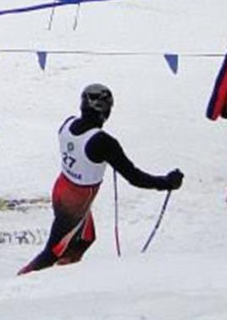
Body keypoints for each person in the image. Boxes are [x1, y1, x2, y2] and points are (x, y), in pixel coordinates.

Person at [18, 84, 183, 275]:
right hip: (76, 203)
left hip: (62, 188)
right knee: (53, 252)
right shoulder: (103, 142)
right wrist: (166, 182)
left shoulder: (67, 123)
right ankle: (23, 280)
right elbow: (134, 177)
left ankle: (64, 274)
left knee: (86, 238)